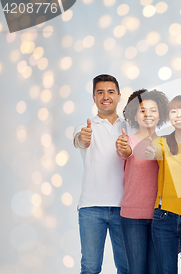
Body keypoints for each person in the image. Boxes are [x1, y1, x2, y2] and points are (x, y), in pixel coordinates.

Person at [73, 74, 128, 274]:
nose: (106, 96)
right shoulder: (84, 128)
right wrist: (83, 138)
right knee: (90, 267)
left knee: (127, 267)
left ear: (119, 96)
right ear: (94, 98)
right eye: (100, 92)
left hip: (124, 208)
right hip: (91, 207)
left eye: (111, 92)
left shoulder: (129, 127)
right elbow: (80, 141)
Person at [115, 89, 169, 274]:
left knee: (156, 271)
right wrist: (125, 150)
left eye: (153, 110)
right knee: (136, 270)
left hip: (160, 218)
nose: (148, 114)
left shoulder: (167, 143)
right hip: (132, 217)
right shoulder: (126, 140)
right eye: (142, 110)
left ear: (160, 114)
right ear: (134, 115)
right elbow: (125, 152)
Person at [147, 95, 181, 274]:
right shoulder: (161, 142)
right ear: (169, 116)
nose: (179, 114)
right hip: (164, 216)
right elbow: (155, 151)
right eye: (174, 111)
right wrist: (151, 151)